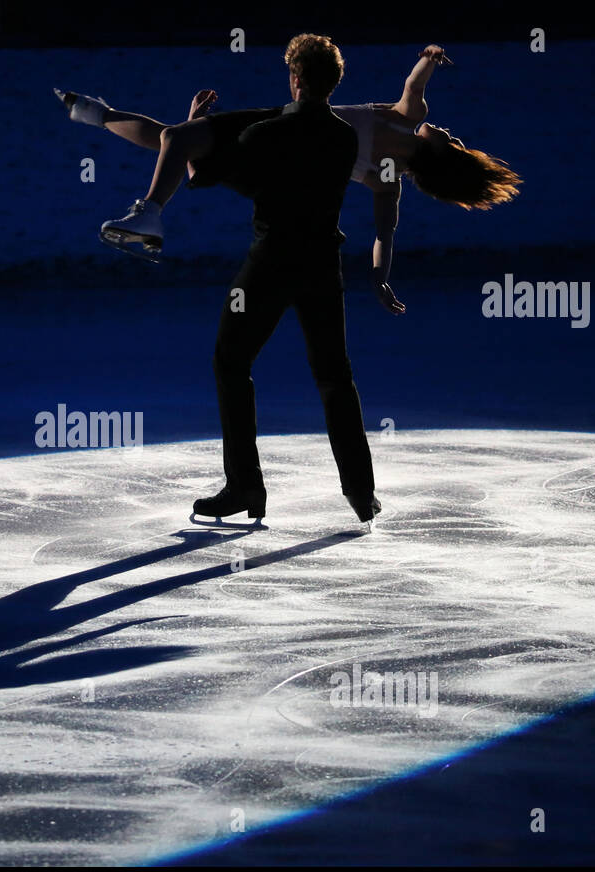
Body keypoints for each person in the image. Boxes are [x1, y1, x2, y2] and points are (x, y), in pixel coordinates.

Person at [60, 33, 381, 526]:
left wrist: (193, 127)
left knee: (231, 363)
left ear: (293, 78)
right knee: (334, 375)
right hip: (321, 264)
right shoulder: (344, 138)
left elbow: (196, 168)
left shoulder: (265, 135)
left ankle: (245, 486)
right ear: (334, 81)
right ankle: (361, 493)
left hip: (270, 263)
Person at [58, 44, 521, 312]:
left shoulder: (391, 168)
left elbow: (384, 233)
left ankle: (149, 211)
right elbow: (416, 84)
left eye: (454, 142)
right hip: (279, 146)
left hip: (278, 144)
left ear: (442, 156)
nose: (451, 134)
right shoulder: (402, 128)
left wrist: (380, 279)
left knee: (180, 138)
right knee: (176, 139)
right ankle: (97, 116)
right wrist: (430, 56)